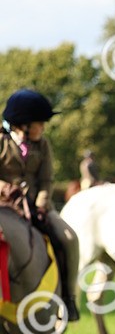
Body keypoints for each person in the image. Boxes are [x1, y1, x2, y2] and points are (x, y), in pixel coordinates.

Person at [0, 89, 81, 322]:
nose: (43, 128)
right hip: (5, 208)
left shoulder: (43, 145)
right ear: (23, 125)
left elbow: (46, 179)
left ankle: (68, 297)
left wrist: (42, 203)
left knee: (69, 237)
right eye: (39, 124)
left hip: (37, 206)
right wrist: (6, 189)